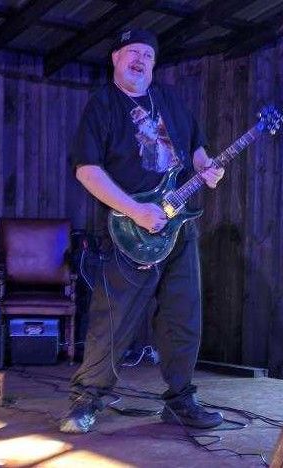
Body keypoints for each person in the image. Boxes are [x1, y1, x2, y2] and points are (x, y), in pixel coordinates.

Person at [60, 28, 225, 434]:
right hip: (130, 230)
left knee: (183, 316)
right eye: (132, 52)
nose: (140, 60)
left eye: (147, 55)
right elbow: (86, 170)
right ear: (115, 58)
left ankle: (180, 399)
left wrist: (208, 168)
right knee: (113, 320)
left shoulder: (170, 100)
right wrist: (135, 211)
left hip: (178, 228)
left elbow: (197, 150)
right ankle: (86, 399)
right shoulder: (103, 106)